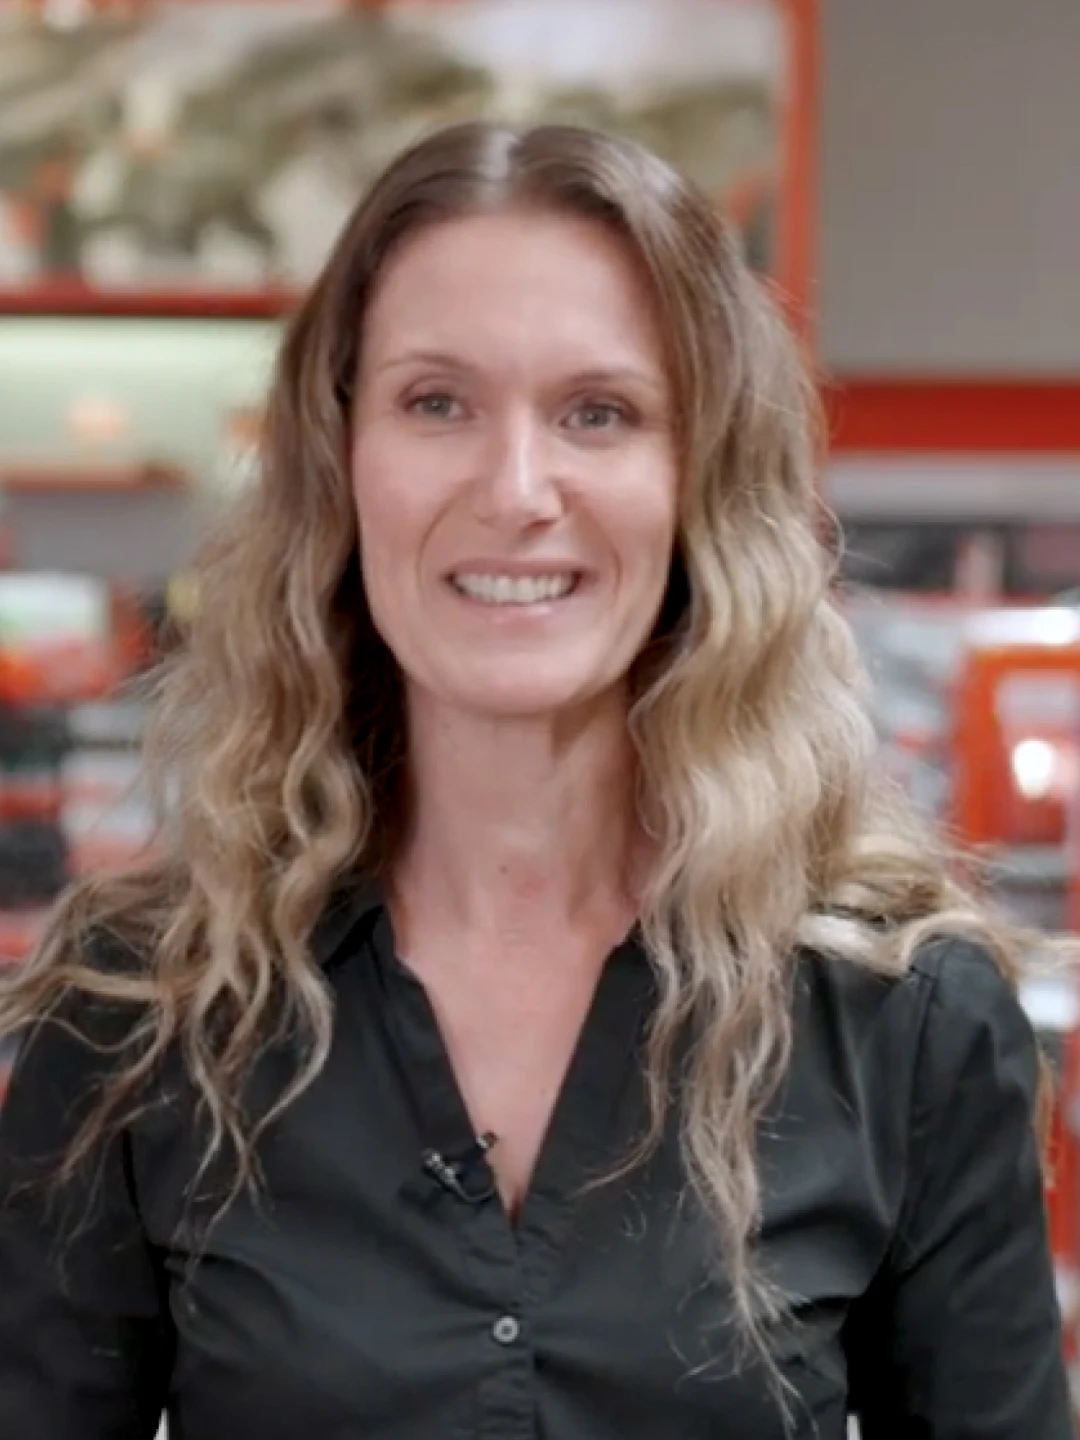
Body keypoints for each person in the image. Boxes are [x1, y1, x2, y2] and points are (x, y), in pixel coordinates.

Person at [0, 121, 1072, 1440]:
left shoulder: (897, 1018)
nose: (517, 490)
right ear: (342, 460)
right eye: (436, 402)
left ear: (698, 479)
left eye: (599, 413)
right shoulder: (144, 1005)